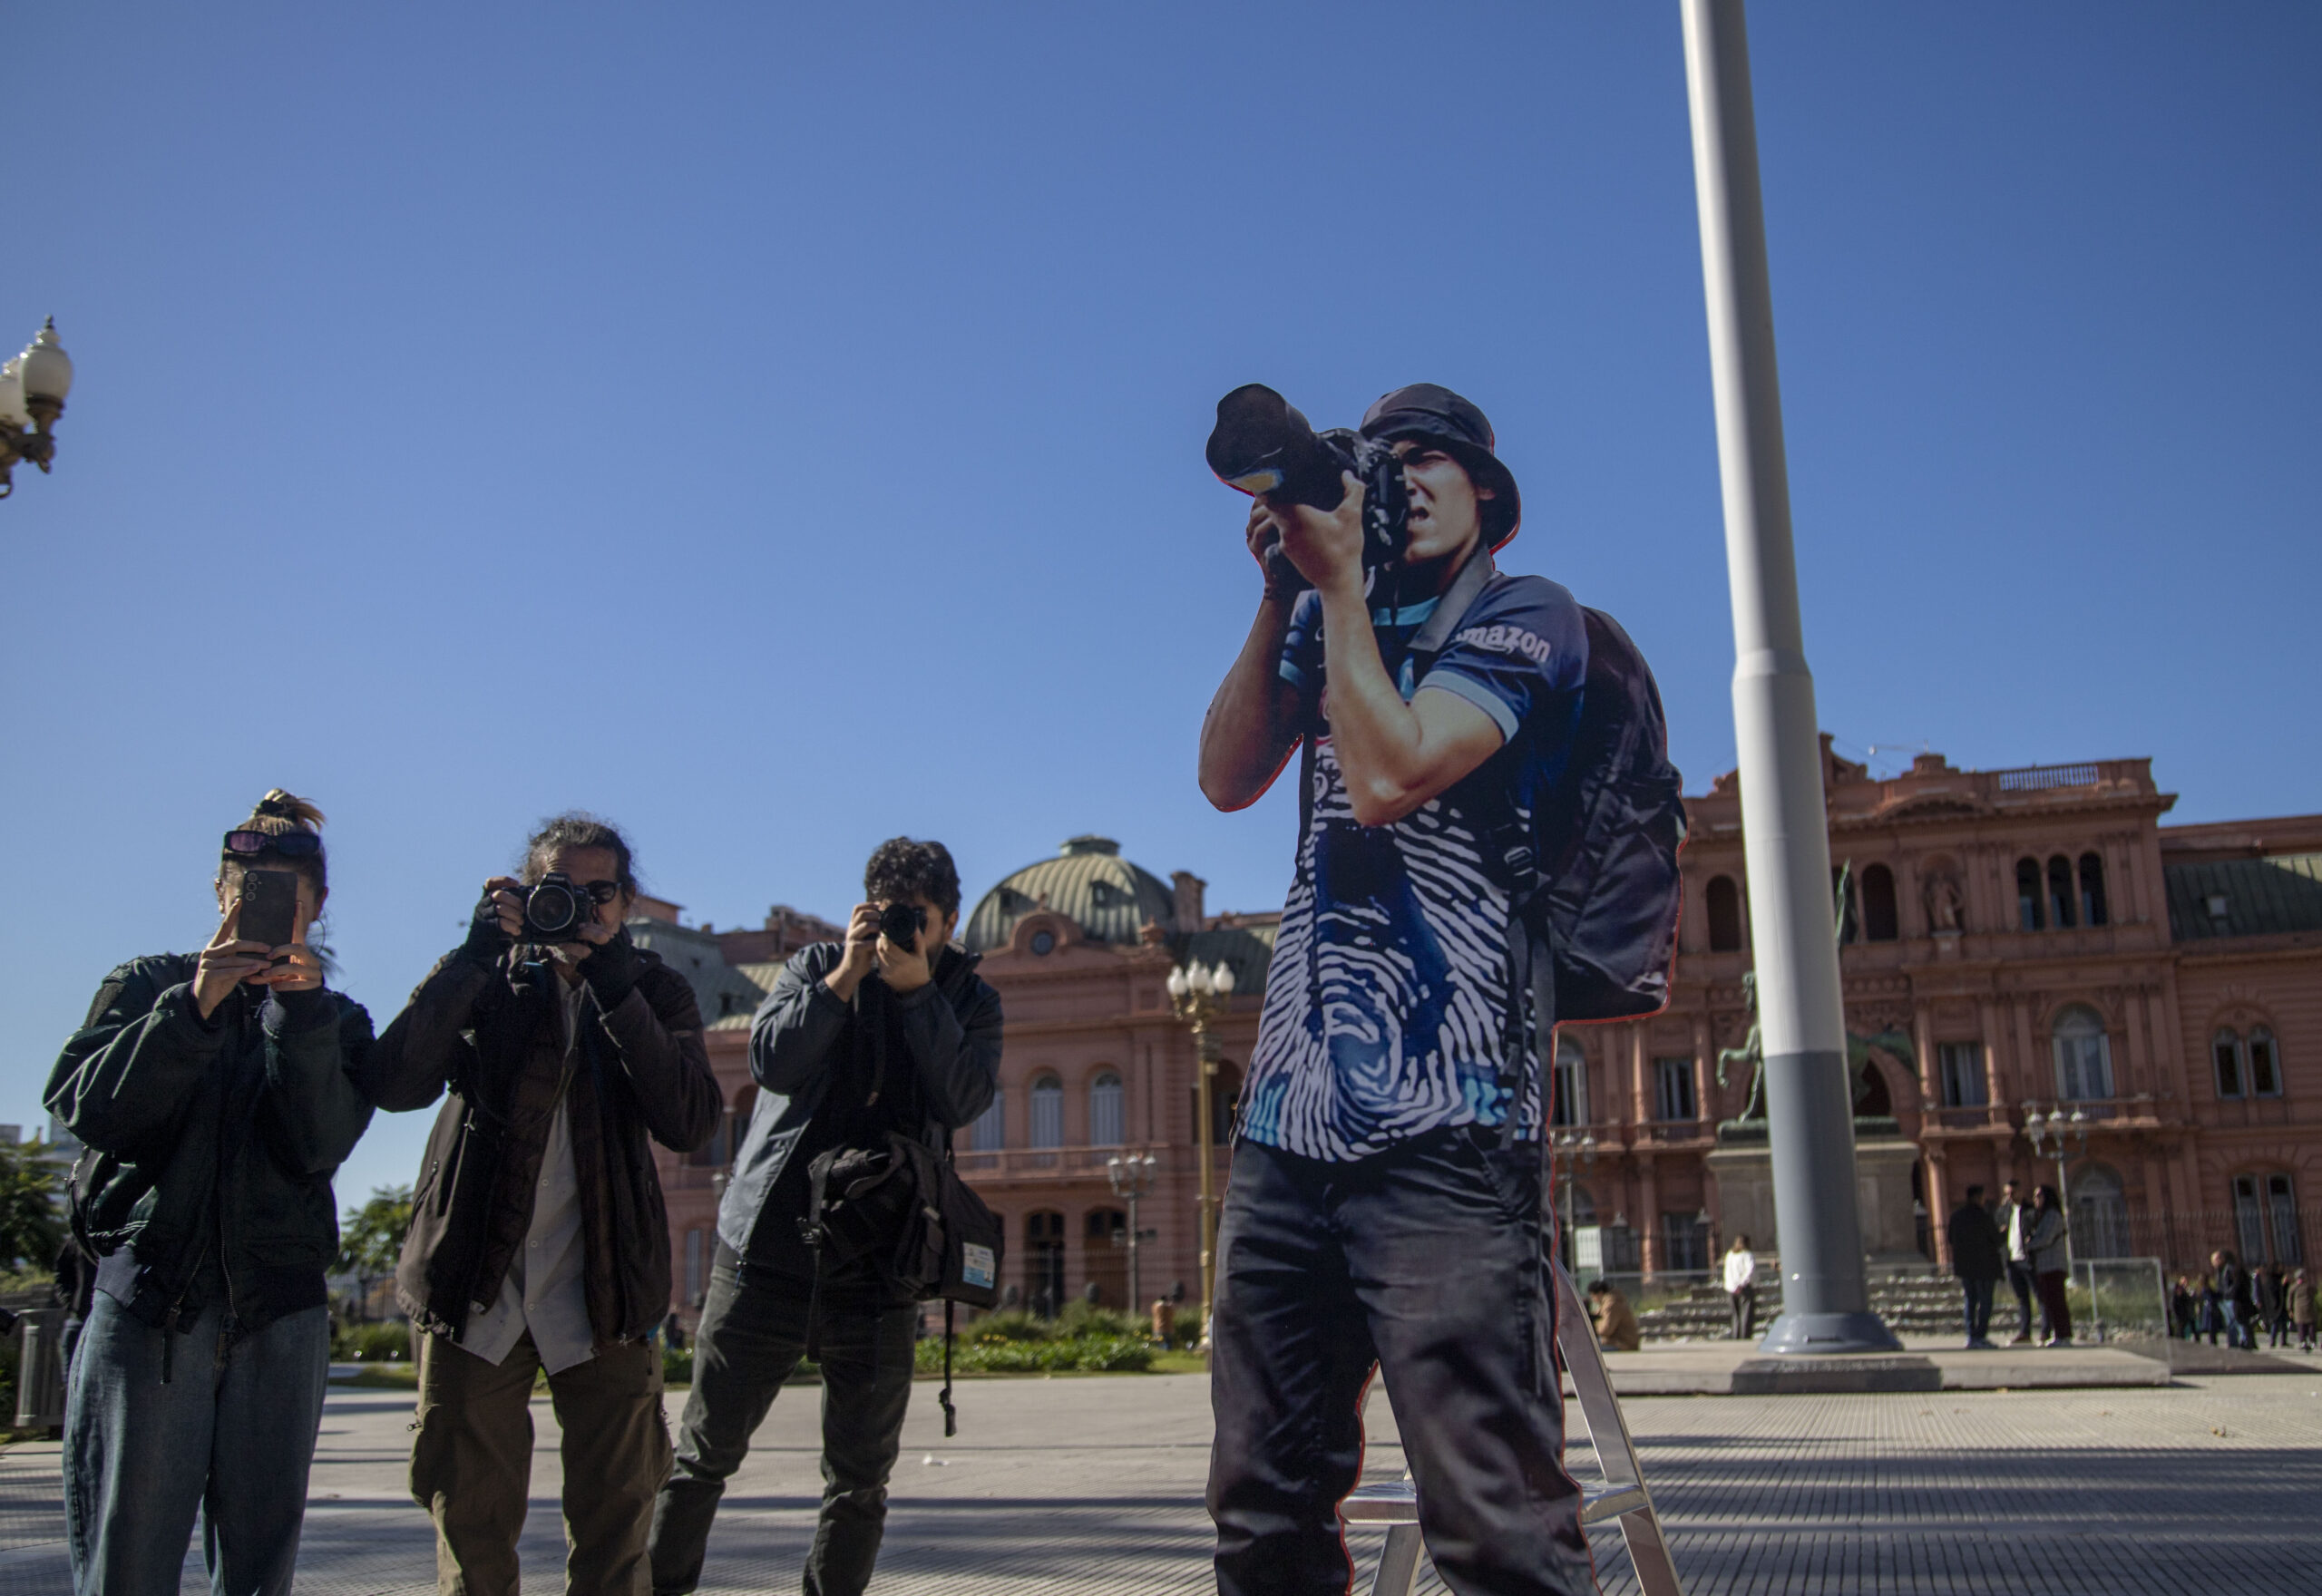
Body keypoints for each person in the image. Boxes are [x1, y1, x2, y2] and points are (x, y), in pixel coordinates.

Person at [1196, 384, 1603, 1596]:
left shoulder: (1529, 614)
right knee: (1261, 1504)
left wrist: (1337, 595)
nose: (1405, 477)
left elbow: (1394, 774)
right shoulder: (1337, 617)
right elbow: (1224, 779)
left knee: (1490, 1515)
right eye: (1384, 462)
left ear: (1493, 499)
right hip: (1286, 1127)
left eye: (1434, 460)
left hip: (1452, 1126)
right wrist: (1285, 589)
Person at [360, 813, 721, 1596]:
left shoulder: (654, 989)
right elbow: (393, 1084)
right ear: (527, 892)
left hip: (606, 1293)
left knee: (617, 1526)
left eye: (601, 894)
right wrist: (471, 957)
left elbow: (690, 1119)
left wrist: (614, 986)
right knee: (472, 1529)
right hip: (473, 1287)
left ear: (627, 903)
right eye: (563, 890)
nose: (583, 910)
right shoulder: (487, 975)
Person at [648, 838, 1000, 1596]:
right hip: (766, 1254)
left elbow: (964, 1100)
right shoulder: (814, 969)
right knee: (703, 1457)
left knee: (859, 1481)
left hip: (881, 1271)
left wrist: (917, 995)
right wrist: (847, 975)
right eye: (888, 914)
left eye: (921, 918)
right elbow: (772, 1062)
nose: (904, 929)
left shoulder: (970, 998)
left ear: (951, 920)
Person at [46, 791, 376, 1596]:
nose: (261, 906)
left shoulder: (335, 1018)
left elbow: (320, 1144)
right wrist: (193, 1009)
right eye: (248, 889)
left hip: (280, 1315)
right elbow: (88, 1108)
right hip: (151, 1305)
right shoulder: (145, 986)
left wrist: (297, 1020)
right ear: (221, 891)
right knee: (127, 1562)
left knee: (262, 1572)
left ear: (317, 904)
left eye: (284, 894)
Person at [1946, 1184, 2005, 1349]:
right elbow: (1997, 1239)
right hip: (1985, 1266)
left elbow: (1951, 1238)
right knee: (1985, 1302)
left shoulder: (1956, 1216)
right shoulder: (1983, 1217)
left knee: (1970, 1301)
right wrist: (2004, 1232)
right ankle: (1981, 1335)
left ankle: (1971, 1335)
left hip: (1965, 1267)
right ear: (1978, 1197)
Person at [2024, 1185, 2072, 1346]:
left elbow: (2047, 1239)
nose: (2036, 1200)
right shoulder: (2042, 1216)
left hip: (2053, 1265)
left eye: (2039, 1196)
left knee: (2057, 1301)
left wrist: (2029, 1245)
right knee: (2050, 1302)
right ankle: (2058, 1333)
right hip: (2045, 1266)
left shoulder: (2052, 1216)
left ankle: (2063, 1335)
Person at [1995, 1179, 2039, 1346]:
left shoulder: (2030, 1211)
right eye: (2007, 1194)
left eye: (2012, 1193)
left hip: (2028, 1260)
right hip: (2012, 1260)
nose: (2010, 1197)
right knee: (2022, 1297)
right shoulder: (2004, 1212)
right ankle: (2025, 1332)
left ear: (2020, 1191)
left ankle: (2045, 1331)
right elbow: (1997, 1233)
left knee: (2038, 1294)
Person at [2212, 1249, 2252, 1351]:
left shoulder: (2229, 1269)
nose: (2214, 1263)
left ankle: (2245, 1340)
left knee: (2237, 1320)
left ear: (2222, 1259)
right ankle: (2233, 1342)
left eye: (2216, 1260)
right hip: (2224, 1299)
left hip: (2230, 1299)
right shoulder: (2219, 1271)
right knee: (2229, 1322)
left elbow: (2233, 1284)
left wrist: (2229, 1294)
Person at [1587, 1280, 1642, 1352]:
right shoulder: (1609, 1302)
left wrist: (1594, 1324)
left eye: (1593, 1296)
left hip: (1623, 1344)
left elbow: (1606, 1330)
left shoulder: (1611, 1305)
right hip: (1622, 1342)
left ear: (1600, 1293)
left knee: (1590, 1350)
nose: (1593, 1300)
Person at [1722, 1234, 1758, 1340]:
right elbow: (1750, 1270)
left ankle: (1736, 1336)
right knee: (1746, 1315)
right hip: (1744, 1287)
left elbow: (1727, 1272)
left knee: (1735, 1315)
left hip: (1730, 1288)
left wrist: (1732, 1286)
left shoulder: (1730, 1255)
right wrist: (1741, 1284)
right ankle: (1745, 1336)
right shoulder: (1747, 1255)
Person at [2257, 1260, 2288, 1349]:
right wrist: (2282, 1285)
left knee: (2284, 1324)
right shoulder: (2271, 1279)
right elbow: (2272, 1292)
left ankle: (2284, 1341)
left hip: (2283, 1305)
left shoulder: (2280, 1277)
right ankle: (2272, 1340)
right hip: (2275, 1306)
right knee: (2276, 1324)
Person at [2290, 1267, 2317, 1353]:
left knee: (2301, 1326)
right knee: (2311, 1325)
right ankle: (2312, 1341)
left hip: (2299, 1310)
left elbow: (2289, 1299)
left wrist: (2290, 1309)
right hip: (2309, 1308)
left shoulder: (2293, 1287)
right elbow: (2315, 1291)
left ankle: (2303, 1341)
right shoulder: (2308, 1286)